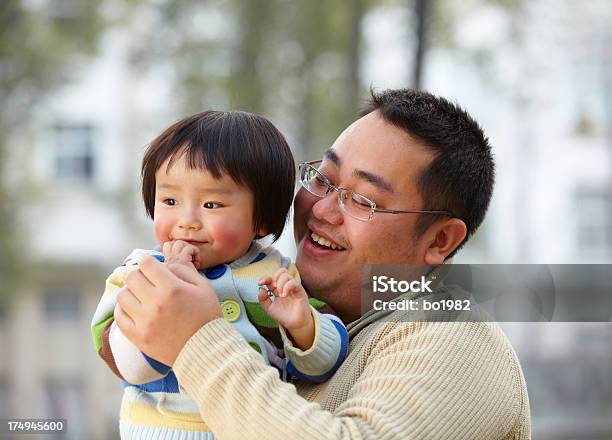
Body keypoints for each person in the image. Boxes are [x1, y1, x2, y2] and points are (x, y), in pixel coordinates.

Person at [115, 89, 532, 439]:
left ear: (440, 240)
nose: (322, 210)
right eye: (322, 179)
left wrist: (196, 339)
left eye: (363, 200)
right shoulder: (273, 303)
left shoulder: (456, 337)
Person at [90, 111, 348, 439]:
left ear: (261, 220)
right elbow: (130, 368)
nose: (187, 221)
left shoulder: (276, 278)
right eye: (170, 200)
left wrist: (303, 326)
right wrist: (169, 294)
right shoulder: (139, 274)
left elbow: (323, 368)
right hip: (159, 430)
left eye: (211, 205)